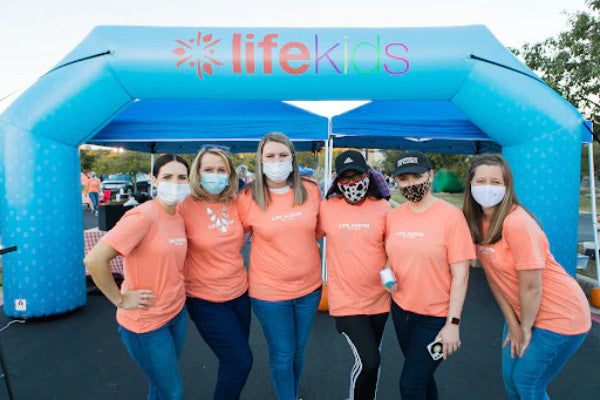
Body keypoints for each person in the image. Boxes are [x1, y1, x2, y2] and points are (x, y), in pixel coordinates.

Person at [463, 154, 591, 400]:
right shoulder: (477, 223)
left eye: (496, 182)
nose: (487, 187)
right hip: (523, 314)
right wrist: (512, 322)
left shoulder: (518, 223)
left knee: (527, 383)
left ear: (507, 186)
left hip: (560, 315)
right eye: (481, 181)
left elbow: (531, 286)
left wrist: (525, 328)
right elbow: (493, 277)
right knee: (511, 382)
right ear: (470, 185)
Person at [83, 154, 191, 400]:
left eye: (182, 177)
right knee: (173, 393)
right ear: (154, 180)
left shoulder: (177, 217)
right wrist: (120, 300)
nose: (175, 182)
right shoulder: (143, 216)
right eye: (168, 176)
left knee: (160, 386)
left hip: (176, 313)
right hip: (146, 324)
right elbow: (94, 259)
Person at [237, 132, 321, 400]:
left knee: (299, 350)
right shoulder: (248, 197)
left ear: (293, 159)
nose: (277, 161)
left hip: (309, 290)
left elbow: (319, 232)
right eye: (270, 156)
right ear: (260, 161)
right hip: (269, 293)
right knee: (283, 353)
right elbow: (233, 240)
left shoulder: (310, 191)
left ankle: (292, 394)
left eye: (283, 155)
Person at [385, 150, 474, 400]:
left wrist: (452, 324)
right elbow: (389, 256)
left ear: (430, 175)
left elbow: (461, 275)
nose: (410, 184)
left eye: (417, 176)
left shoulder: (451, 217)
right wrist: (387, 276)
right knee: (422, 378)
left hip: (435, 319)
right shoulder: (393, 216)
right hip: (402, 312)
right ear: (397, 181)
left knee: (410, 385)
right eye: (404, 179)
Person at [177, 146, 253, 400]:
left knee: (230, 361)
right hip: (205, 299)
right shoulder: (182, 206)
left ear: (230, 174)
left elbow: (251, 231)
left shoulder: (235, 202)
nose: (215, 175)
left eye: (221, 170)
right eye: (208, 169)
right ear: (197, 173)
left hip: (240, 294)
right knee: (240, 361)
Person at [318, 150, 391, 400]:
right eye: (345, 178)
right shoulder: (326, 208)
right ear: (337, 181)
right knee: (369, 361)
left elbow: (394, 247)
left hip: (380, 300)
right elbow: (303, 235)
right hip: (346, 302)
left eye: (357, 176)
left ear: (367, 175)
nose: (352, 183)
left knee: (373, 361)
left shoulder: (383, 207)